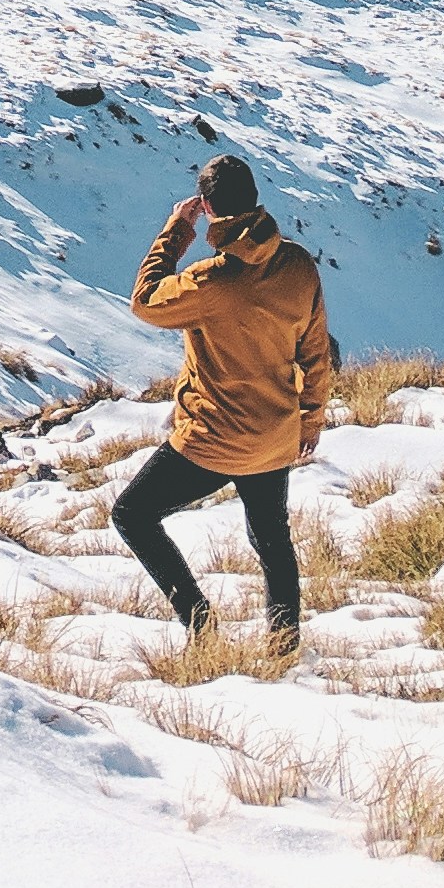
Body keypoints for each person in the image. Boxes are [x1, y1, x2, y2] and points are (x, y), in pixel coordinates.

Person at [114, 151, 331, 639]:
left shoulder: (211, 281)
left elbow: (145, 301)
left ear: (208, 209)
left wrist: (175, 231)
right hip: (277, 434)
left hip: (213, 439)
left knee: (132, 514)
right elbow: (315, 353)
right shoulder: (298, 264)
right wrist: (310, 422)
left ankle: (199, 620)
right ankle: (284, 645)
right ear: (255, 201)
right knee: (273, 540)